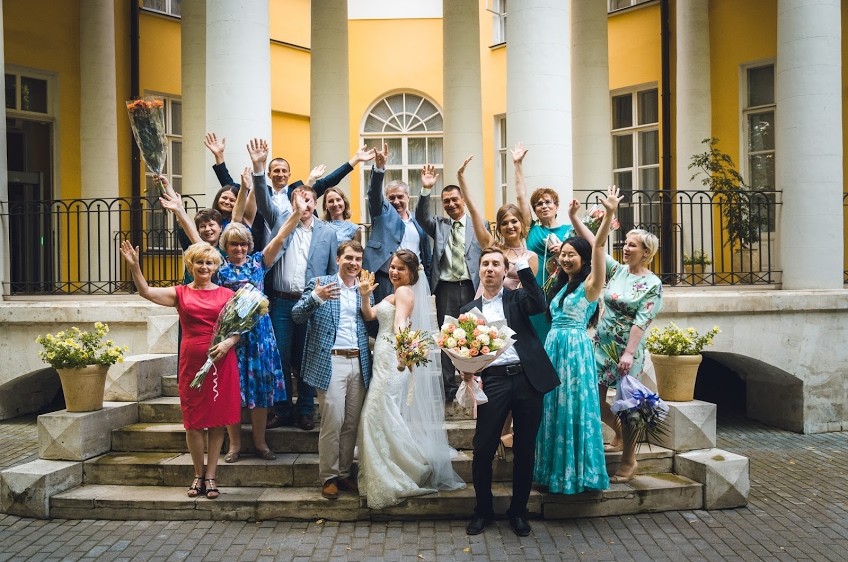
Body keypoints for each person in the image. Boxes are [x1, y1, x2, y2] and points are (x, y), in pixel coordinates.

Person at [120, 240, 240, 500]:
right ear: (190, 265)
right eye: (199, 262)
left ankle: (211, 476)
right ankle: (198, 474)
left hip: (221, 361)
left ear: (216, 267)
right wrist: (134, 267)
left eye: (209, 262)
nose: (204, 267)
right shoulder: (180, 293)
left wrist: (228, 343)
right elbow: (146, 292)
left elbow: (238, 329)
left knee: (217, 422)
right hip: (191, 362)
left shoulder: (227, 295)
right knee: (193, 422)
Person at [460, 247, 559, 537]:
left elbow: (539, 304)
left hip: (527, 379)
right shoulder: (468, 310)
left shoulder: (517, 298)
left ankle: (518, 512)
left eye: (496, 264)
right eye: (485, 264)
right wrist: (466, 369)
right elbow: (462, 348)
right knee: (483, 449)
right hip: (494, 381)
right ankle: (483, 511)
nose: (490, 268)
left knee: (525, 449)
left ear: (505, 271)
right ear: (479, 270)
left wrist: (524, 269)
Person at [356, 250, 464, 509]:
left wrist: (404, 350)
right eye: (392, 267)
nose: (394, 272)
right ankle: (394, 467)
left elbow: (400, 322)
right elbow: (370, 315)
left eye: (400, 268)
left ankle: (402, 469)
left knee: (376, 414)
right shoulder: (393, 294)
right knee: (382, 413)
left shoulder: (405, 292)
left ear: (412, 273)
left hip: (392, 357)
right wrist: (364, 295)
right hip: (384, 356)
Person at [533, 186, 622, 494]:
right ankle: (551, 473)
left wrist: (608, 215)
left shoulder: (590, 285)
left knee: (573, 408)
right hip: (554, 348)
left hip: (574, 352)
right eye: (563, 254)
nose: (566, 258)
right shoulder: (560, 285)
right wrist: (571, 217)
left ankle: (574, 475)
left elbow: (598, 247)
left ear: (583, 260)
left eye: (572, 254)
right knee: (552, 407)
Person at [248, 138, 340, 432]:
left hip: (311, 302)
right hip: (281, 301)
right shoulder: (280, 220)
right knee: (282, 355)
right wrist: (259, 167)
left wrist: (327, 303)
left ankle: (305, 410)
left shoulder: (328, 233)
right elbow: (262, 199)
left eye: (309, 200)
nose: (305, 204)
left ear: (315, 203)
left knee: (306, 356)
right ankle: (283, 408)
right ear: (292, 203)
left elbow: (331, 271)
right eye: (299, 200)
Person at [456, 155, 539, 454]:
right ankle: (494, 435)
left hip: (511, 315)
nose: (510, 225)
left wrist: (517, 166)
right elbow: (474, 212)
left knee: (509, 374)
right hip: (485, 312)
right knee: (489, 375)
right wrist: (462, 179)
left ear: (521, 224)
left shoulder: (529, 256)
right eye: (504, 222)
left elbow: (528, 291)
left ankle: (506, 434)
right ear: (500, 227)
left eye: (514, 221)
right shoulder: (492, 248)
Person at [216, 200, 302, 463]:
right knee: (232, 391)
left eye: (243, 244)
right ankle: (234, 445)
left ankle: (260, 442)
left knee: (261, 390)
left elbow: (280, 237)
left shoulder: (258, 263)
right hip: (232, 337)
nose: (239, 248)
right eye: (234, 244)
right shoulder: (219, 269)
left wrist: (297, 213)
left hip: (260, 336)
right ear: (226, 246)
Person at [290, 241, 373, 500]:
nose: (353, 263)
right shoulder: (320, 283)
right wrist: (316, 298)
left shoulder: (364, 287)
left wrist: (366, 296)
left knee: (351, 423)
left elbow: (371, 321)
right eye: (349, 257)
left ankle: (345, 473)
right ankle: (328, 476)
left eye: (358, 259)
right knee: (333, 421)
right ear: (338, 259)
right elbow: (296, 316)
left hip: (359, 361)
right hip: (331, 361)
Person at [594, 228, 664, 483]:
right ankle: (620, 433)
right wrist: (577, 219)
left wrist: (629, 353)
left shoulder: (652, 284)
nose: (625, 247)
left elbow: (641, 321)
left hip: (628, 350)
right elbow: (595, 245)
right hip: (602, 346)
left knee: (628, 406)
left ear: (646, 252)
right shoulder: (617, 270)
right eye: (625, 243)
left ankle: (629, 460)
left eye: (632, 245)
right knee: (595, 400)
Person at [414, 164, 485, 403]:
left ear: (463, 200)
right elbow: (420, 217)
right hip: (446, 288)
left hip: (472, 286)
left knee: (474, 335)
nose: (451, 204)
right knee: (447, 337)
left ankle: (473, 383)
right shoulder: (439, 225)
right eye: (446, 201)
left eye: (455, 199)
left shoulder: (479, 224)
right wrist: (426, 189)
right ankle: (448, 387)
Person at [513, 143, 584, 343]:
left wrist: (563, 253)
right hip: (535, 288)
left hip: (561, 287)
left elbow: (583, 259)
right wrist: (518, 164)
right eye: (538, 204)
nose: (543, 206)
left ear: (556, 206)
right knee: (535, 335)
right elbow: (520, 196)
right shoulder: (531, 227)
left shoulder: (568, 231)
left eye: (548, 202)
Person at [363, 143, 431, 305]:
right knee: (386, 316)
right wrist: (379, 169)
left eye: (400, 197)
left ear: (408, 198)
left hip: (414, 280)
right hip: (386, 278)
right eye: (391, 198)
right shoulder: (381, 213)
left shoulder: (418, 221)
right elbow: (374, 195)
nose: (396, 201)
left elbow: (426, 253)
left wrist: (427, 278)